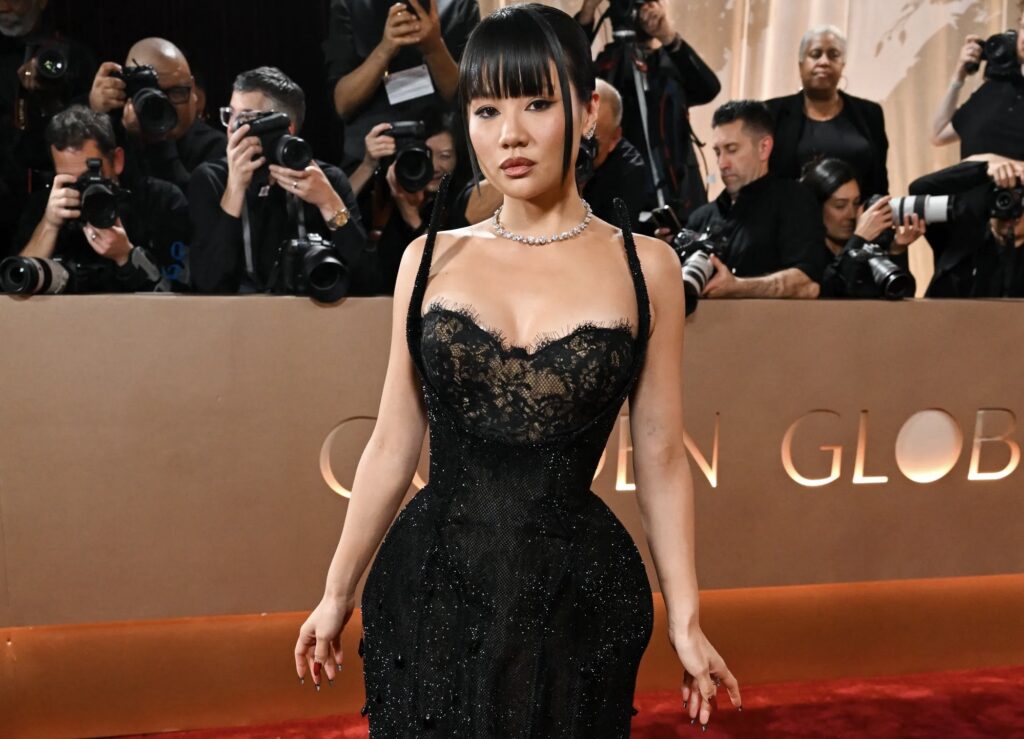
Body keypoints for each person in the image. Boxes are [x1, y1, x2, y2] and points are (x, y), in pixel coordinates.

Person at [294, 4, 741, 736]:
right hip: (430, 591)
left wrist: (685, 617)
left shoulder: (648, 268)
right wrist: (336, 591)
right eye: (486, 109)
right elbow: (393, 441)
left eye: (537, 103)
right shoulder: (428, 259)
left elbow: (661, 456)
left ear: (587, 110)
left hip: (575, 601)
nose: (510, 133)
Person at [188, 66, 366, 295]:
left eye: (245, 118)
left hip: (311, 313)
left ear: (285, 128)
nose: (232, 128)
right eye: (230, 114)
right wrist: (235, 188)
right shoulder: (212, 179)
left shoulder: (327, 180)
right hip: (235, 315)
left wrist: (329, 203)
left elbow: (365, 279)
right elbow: (207, 283)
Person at [11, 105, 189, 292]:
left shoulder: (161, 200)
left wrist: (126, 256)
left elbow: (179, 294)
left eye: (91, 175)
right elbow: (15, 288)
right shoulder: (46, 207)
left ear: (117, 160)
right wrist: (49, 225)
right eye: (70, 180)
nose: (83, 188)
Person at [577, 0, 720, 221]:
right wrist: (586, 15)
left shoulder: (668, 65)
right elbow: (565, 70)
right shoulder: (603, 70)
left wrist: (668, 37)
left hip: (678, 200)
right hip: (617, 199)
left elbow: (708, 89)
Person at [459, 79, 654, 228]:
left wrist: (573, 182)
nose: (578, 146)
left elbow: (613, 245)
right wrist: (527, 171)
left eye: (590, 140)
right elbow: (468, 214)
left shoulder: (627, 168)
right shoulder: (525, 143)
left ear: (614, 139)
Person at [686, 100, 824, 299]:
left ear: (763, 148)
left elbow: (808, 283)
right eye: (717, 152)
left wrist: (739, 287)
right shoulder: (701, 217)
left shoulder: (794, 202)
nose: (722, 163)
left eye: (732, 149)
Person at [324, 0, 480, 167]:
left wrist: (433, 47)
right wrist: (385, 49)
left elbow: (470, 99)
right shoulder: (350, 5)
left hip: (445, 156)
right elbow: (343, 104)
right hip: (372, 158)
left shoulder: (460, 5)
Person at [0, 0, 96, 255]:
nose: (3, 7)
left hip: (62, 190)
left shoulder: (76, 58)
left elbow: (91, 129)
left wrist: (50, 100)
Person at [765, 25, 889, 200]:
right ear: (801, 64)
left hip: (858, 216)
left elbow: (879, 185)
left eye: (833, 55)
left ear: (842, 65)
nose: (824, 62)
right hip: (790, 215)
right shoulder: (771, 113)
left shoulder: (870, 114)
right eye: (815, 54)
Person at [88, 37, 225, 191]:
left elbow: (191, 201)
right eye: (153, 94)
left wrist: (159, 144)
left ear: (193, 89)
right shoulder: (116, 137)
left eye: (177, 92)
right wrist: (97, 120)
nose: (166, 105)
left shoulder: (215, 147)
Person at [348, 112, 462, 295]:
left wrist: (411, 216)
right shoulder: (383, 188)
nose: (433, 166)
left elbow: (450, 271)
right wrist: (368, 165)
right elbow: (336, 211)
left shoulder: (460, 201)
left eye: (445, 156)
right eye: (425, 154)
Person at [799, 157, 925, 298]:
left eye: (856, 203)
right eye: (840, 206)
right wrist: (859, 238)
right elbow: (831, 291)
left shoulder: (871, 246)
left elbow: (903, 294)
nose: (852, 215)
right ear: (816, 208)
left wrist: (897, 251)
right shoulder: (805, 252)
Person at [910, 155, 1024, 297]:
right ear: (990, 201)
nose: (1010, 210)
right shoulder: (961, 233)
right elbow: (919, 189)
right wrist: (983, 170)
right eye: (1004, 200)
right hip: (944, 311)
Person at [931, 3, 1024, 161]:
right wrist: (959, 75)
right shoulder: (998, 85)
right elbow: (939, 134)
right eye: (1023, 26)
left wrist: (1002, 163)